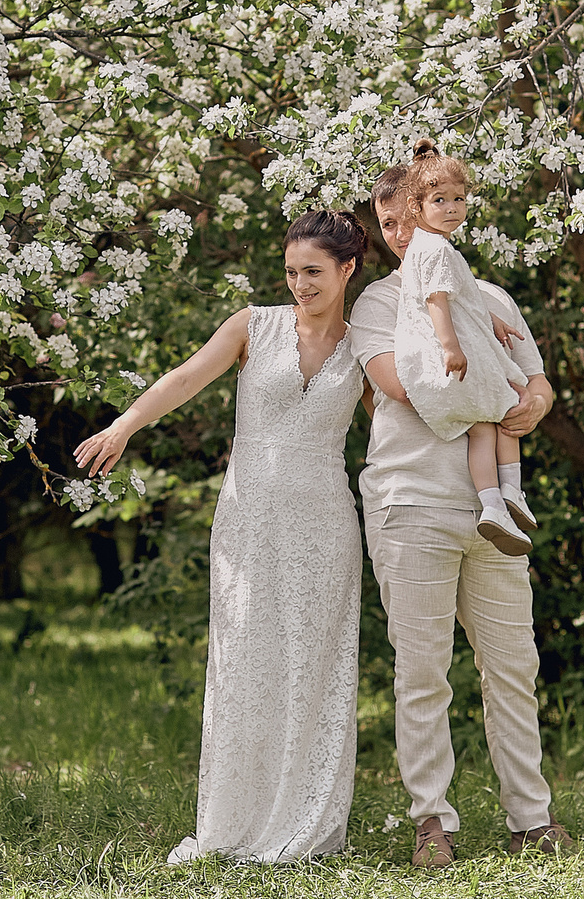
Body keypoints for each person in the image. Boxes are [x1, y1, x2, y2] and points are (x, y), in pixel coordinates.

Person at [74, 210, 369, 862]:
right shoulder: (253, 325)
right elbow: (185, 377)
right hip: (249, 517)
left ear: (348, 269)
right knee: (243, 665)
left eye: (313, 272)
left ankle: (305, 824)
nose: (300, 284)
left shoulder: (364, 346)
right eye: (291, 271)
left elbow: (401, 423)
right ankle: (231, 825)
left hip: (325, 519)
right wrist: (125, 425)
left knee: (312, 669)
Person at [354, 164, 576, 868]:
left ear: (428, 210)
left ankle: (531, 819)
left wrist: (533, 402)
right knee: (423, 672)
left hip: (496, 512)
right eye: (386, 223)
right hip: (411, 501)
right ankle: (432, 821)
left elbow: (534, 379)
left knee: (513, 664)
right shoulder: (376, 304)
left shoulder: (489, 293)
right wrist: (491, 389)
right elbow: (409, 389)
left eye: (405, 218)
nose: (398, 233)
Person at [389, 140, 536, 553]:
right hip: (448, 361)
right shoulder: (435, 249)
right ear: (417, 207)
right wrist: (451, 346)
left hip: (432, 363)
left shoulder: (426, 247)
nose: (452, 207)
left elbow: (462, 298)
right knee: (507, 407)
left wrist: (492, 319)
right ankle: (511, 490)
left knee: (482, 428)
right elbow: (437, 301)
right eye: (440, 199)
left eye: (458, 198)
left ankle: (493, 504)